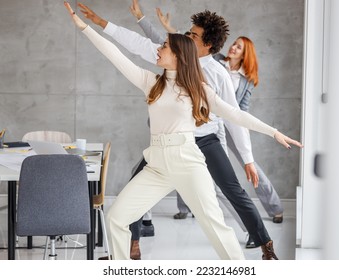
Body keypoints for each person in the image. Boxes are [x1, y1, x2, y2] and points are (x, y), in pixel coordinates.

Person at [74, 1, 301, 260]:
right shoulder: (153, 81)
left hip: (192, 153)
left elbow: (236, 115)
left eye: (165, 46)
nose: (159, 49)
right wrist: (88, 27)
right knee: (116, 217)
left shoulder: (206, 83)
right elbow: (122, 53)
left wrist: (271, 134)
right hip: (158, 163)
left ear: (198, 47)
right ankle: (127, 256)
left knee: (218, 218)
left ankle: (260, 248)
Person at [156, 11, 285, 248]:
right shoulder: (178, 58)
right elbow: (150, 45)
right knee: (143, 175)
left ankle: (263, 240)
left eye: (194, 35)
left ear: (207, 44)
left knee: (229, 188)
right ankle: (134, 236)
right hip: (175, 138)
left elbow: (236, 116)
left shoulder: (218, 74)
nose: (187, 36)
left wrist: (248, 158)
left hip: (208, 137)